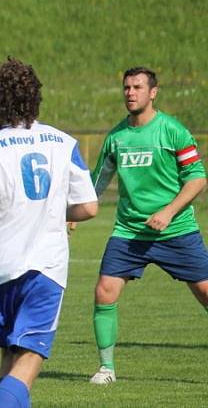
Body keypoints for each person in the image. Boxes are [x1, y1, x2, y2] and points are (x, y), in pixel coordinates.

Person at [0, 58, 98, 407]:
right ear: (36, 97)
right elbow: (89, 207)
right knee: (31, 357)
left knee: (10, 357)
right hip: (46, 266)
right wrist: (55, 211)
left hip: (1, 266)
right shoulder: (63, 142)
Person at [88, 67, 208, 385]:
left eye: (138, 87)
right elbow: (98, 180)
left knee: (206, 293)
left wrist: (169, 212)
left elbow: (197, 178)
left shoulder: (172, 131)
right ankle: (106, 369)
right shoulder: (116, 137)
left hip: (177, 229)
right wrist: (75, 212)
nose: (130, 93)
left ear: (153, 92)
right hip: (130, 232)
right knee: (104, 292)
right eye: (126, 87)